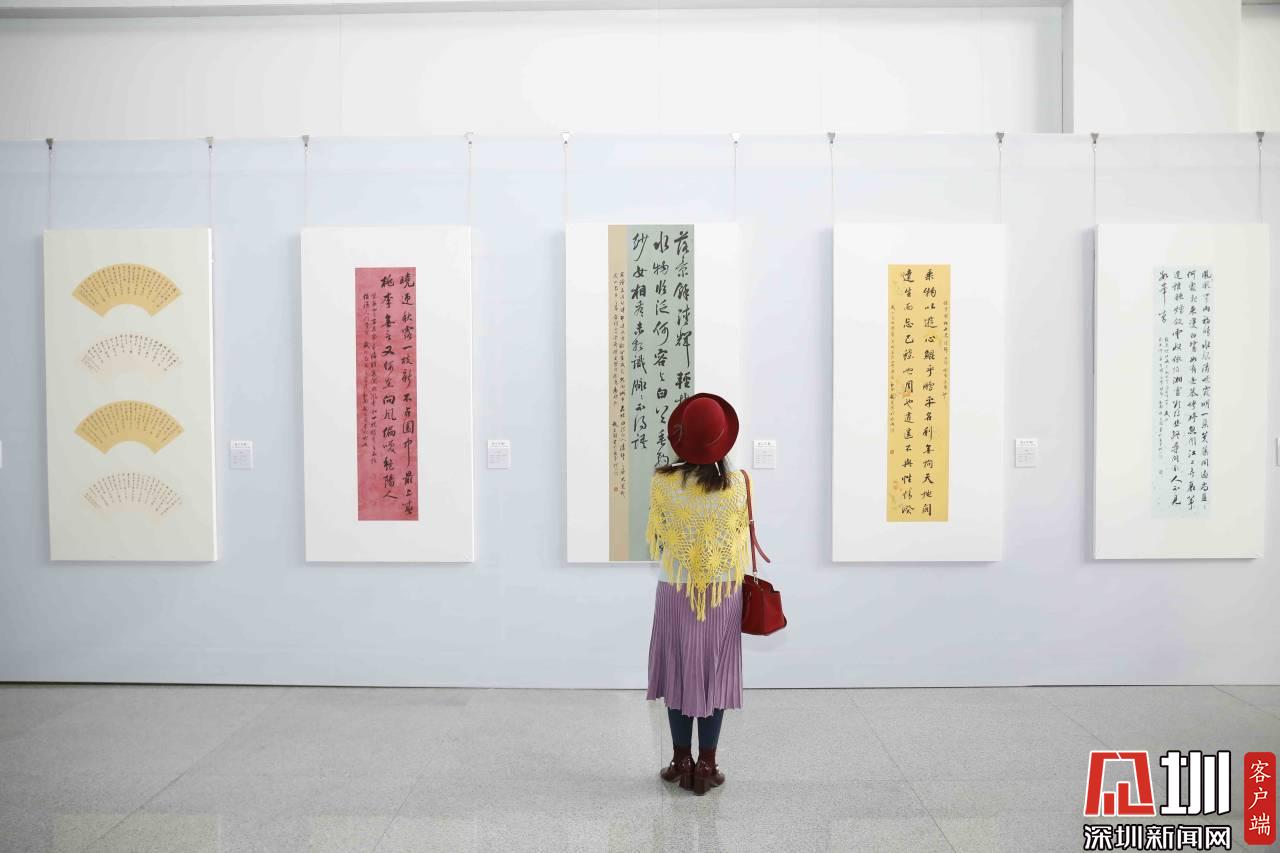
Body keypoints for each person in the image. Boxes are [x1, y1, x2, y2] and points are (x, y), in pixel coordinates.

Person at [645, 392, 752, 796]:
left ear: (682, 436)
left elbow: (660, 536)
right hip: (723, 591)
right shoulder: (738, 484)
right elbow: (735, 537)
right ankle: (707, 764)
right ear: (723, 438)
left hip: (675, 587)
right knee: (715, 674)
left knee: (677, 670)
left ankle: (680, 762)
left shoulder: (663, 482)